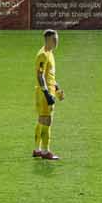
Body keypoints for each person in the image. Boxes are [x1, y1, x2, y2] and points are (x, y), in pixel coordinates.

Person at [33, 28, 63, 161]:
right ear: (48, 40)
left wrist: (57, 90)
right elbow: (39, 76)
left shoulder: (49, 53)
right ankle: (45, 151)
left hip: (48, 90)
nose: (57, 42)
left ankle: (37, 149)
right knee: (47, 121)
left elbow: (49, 75)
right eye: (54, 39)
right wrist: (47, 93)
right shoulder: (43, 55)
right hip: (44, 93)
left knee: (41, 120)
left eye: (57, 39)